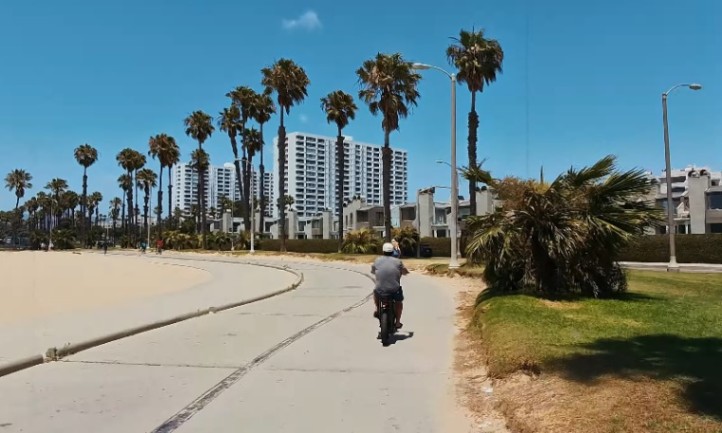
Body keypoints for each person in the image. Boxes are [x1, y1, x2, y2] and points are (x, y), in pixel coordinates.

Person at [371, 242, 409, 329]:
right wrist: (405, 272)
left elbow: (373, 271)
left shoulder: (377, 260)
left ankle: (377, 309)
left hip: (380, 289)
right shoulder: (398, 262)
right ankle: (398, 322)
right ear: (392, 252)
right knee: (399, 302)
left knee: (376, 292)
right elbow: (404, 271)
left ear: (383, 251)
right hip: (394, 289)